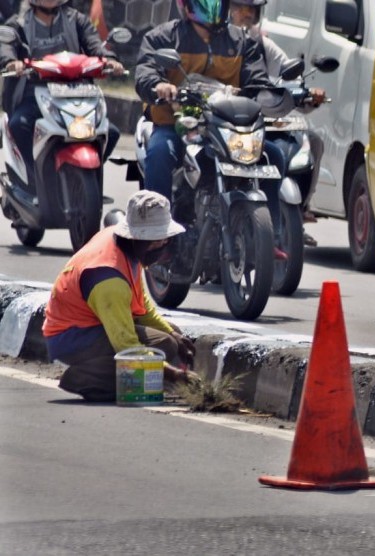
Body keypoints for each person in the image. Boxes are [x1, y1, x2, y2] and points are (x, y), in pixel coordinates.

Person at [134, 0, 286, 229]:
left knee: (274, 155)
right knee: (159, 154)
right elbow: (146, 72)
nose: (212, 10)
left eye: (217, 3)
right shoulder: (163, 37)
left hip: (226, 128)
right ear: (185, 5)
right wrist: (158, 85)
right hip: (176, 124)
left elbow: (256, 79)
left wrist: (276, 93)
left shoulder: (242, 41)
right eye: (204, 4)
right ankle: (157, 234)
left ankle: (273, 235)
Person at [42, 190, 196, 402]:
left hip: (94, 324)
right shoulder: (108, 279)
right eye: (155, 242)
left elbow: (141, 306)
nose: (161, 246)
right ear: (138, 238)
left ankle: (124, 371)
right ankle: (83, 378)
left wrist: (173, 334)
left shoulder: (127, 248)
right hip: (73, 336)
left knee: (169, 340)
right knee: (157, 351)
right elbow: (127, 346)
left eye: (163, 241)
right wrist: (173, 375)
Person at [228, 0, 326, 247]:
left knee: (301, 146)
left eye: (251, 9)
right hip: (225, 125)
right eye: (240, 8)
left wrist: (306, 93)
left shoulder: (261, 44)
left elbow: (287, 73)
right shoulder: (219, 42)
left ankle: (283, 226)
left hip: (261, 123)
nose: (246, 14)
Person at [0, 0, 124, 175]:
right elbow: (6, 46)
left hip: (76, 91)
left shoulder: (77, 20)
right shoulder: (18, 23)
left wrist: (109, 59)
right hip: (35, 93)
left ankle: (87, 177)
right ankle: (34, 179)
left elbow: (94, 44)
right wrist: (11, 62)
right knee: (19, 125)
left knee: (110, 132)